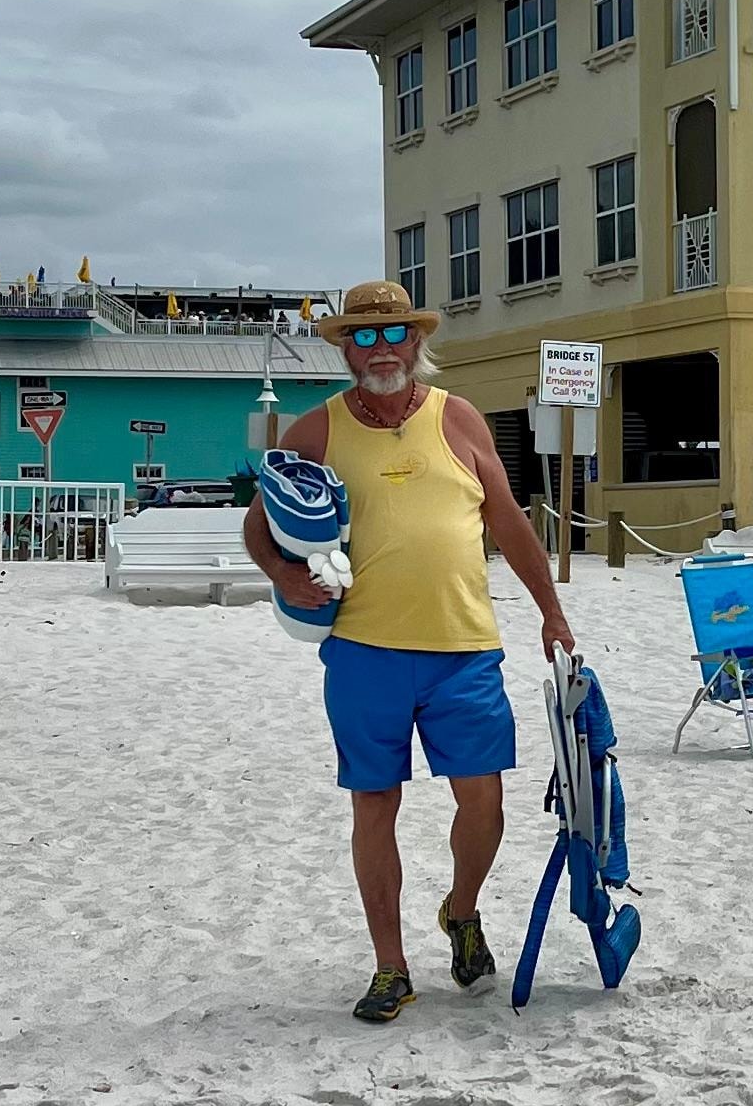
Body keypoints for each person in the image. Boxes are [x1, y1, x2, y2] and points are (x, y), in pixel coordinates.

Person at [243, 279, 574, 1023]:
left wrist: (551, 612)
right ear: (343, 348)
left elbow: (511, 524)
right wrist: (282, 574)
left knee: (483, 802)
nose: (380, 349)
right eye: (361, 337)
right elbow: (259, 524)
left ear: (418, 343)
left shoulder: (458, 419)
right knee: (374, 805)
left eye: (393, 335)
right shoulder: (314, 432)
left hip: (465, 648)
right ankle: (390, 967)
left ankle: (460, 910)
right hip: (365, 652)